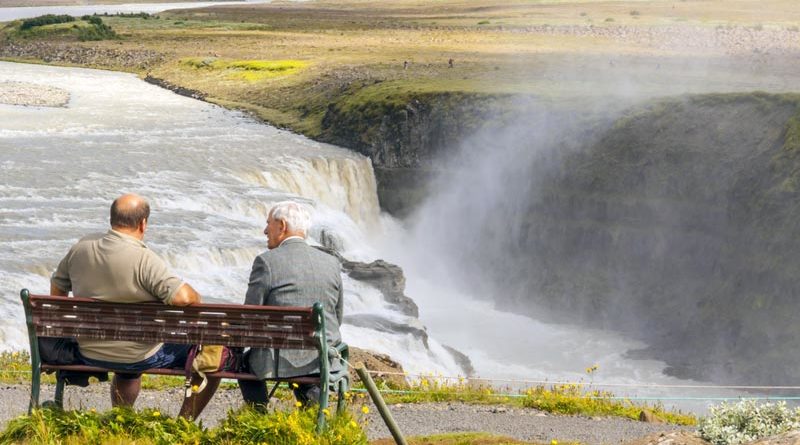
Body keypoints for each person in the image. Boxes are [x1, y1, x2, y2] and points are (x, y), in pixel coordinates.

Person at [50, 193, 219, 419]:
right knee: (213, 353)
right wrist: (196, 294)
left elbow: (57, 287)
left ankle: (122, 417)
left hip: (87, 349)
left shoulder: (81, 248)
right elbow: (183, 297)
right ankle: (184, 423)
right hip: (137, 354)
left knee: (128, 355)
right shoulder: (144, 259)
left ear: (112, 219)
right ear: (143, 224)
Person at [238, 201, 344, 408]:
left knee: (242, 363)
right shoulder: (331, 263)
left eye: (268, 223)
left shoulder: (266, 262)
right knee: (302, 354)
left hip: (278, 360)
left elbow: (249, 316)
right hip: (321, 359)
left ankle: (258, 414)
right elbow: (336, 317)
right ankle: (310, 408)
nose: (265, 230)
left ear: (282, 226)